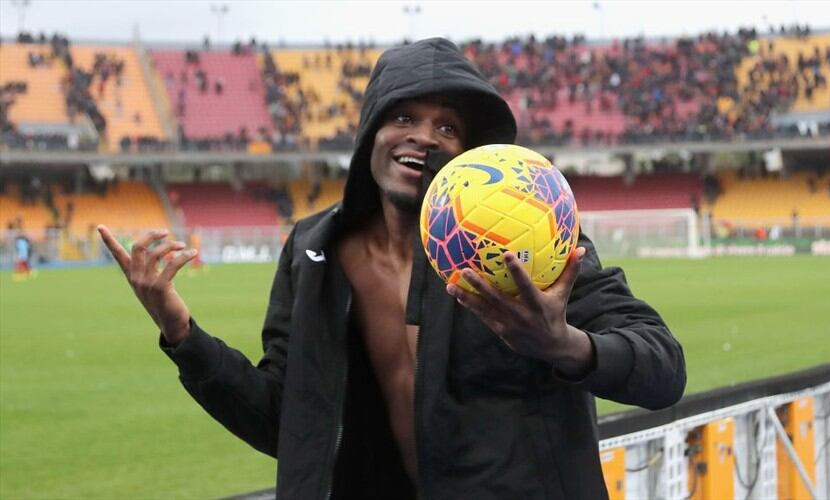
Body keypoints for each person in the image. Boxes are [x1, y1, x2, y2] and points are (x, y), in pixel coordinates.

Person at [98, 38, 686, 499]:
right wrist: (182, 334)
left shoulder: (526, 242)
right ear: (371, 131)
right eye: (404, 117)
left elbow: (663, 369)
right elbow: (290, 423)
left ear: (471, 152)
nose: (424, 137)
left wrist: (564, 345)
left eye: (447, 126)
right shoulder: (314, 250)